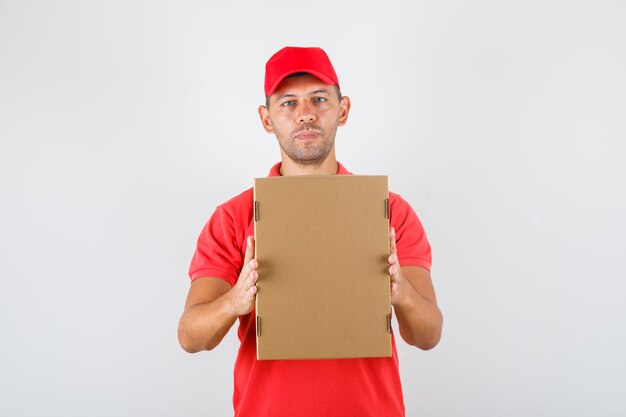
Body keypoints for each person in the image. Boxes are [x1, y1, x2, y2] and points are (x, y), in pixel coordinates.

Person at [178, 46, 443, 417]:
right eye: (288, 103)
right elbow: (191, 336)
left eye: (319, 99)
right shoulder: (233, 217)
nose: (305, 114)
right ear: (266, 119)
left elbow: (427, 335)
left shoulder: (389, 210)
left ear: (343, 109)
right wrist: (235, 301)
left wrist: (401, 291)